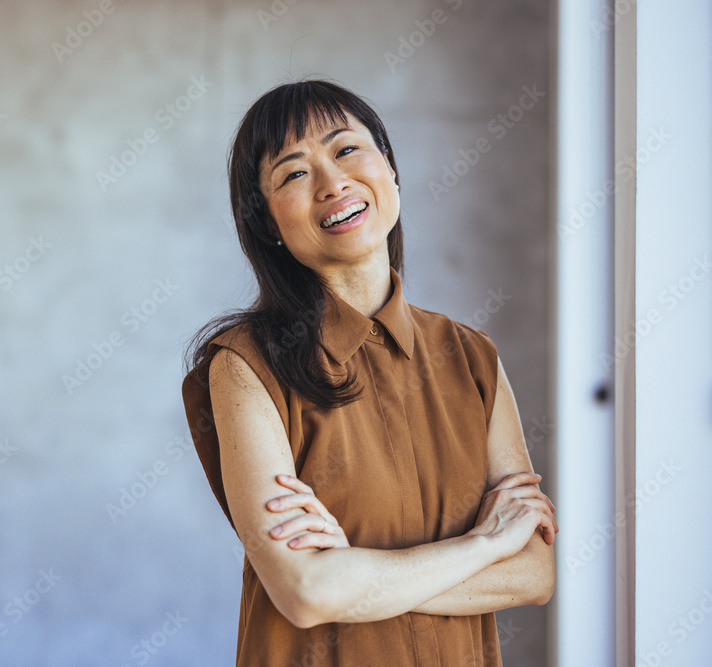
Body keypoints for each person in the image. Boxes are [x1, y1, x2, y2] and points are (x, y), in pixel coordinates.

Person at [181, 79, 557, 666]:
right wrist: (487, 543)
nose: (334, 183)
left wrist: (354, 578)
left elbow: (533, 573)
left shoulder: (473, 357)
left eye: (347, 149)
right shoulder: (243, 366)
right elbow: (306, 592)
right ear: (269, 225)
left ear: (391, 169)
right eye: (293, 174)